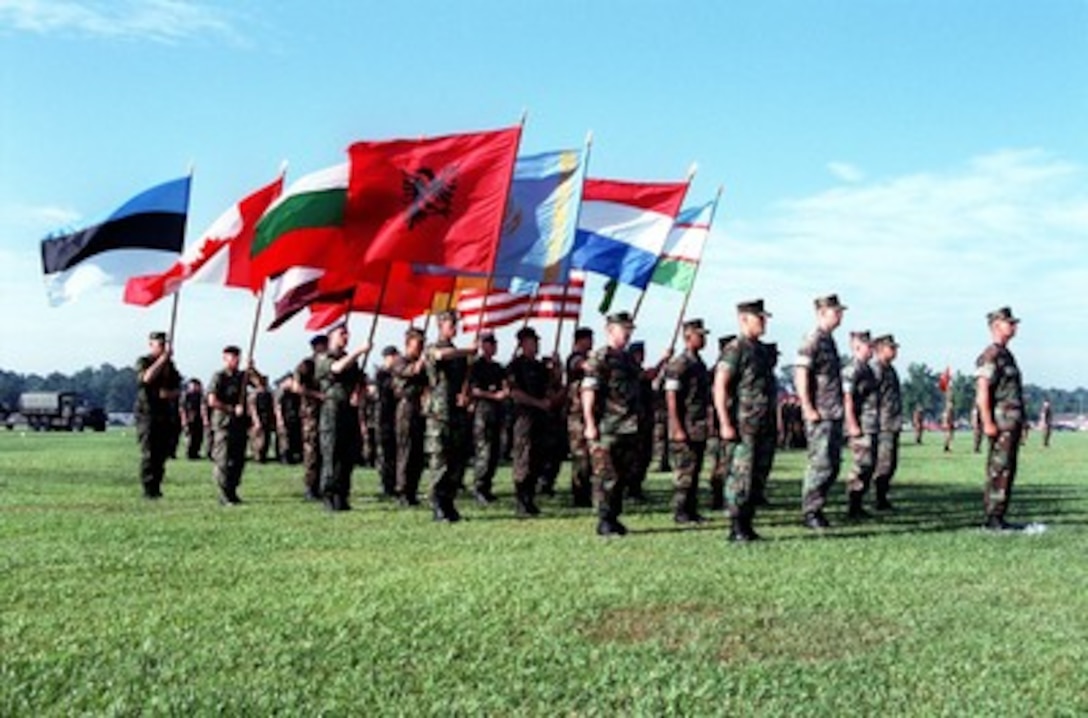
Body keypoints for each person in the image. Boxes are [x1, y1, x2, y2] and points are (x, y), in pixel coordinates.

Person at [715, 301, 776, 541]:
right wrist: (725, 423)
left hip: (763, 424)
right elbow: (720, 386)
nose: (763, 322)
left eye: (764, 318)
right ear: (743, 319)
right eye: (758, 318)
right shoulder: (735, 348)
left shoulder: (760, 350)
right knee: (741, 476)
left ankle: (747, 523)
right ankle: (736, 525)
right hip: (743, 425)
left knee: (758, 476)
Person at [582, 311, 642, 537]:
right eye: (623, 329)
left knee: (622, 475)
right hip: (606, 426)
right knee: (606, 475)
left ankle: (614, 516)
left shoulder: (627, 359)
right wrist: (589, 423)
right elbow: (588, 390)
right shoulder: (600, 358)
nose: (627, 334)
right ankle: (604, 519)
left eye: (629, 330)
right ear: (610, 330)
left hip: (628, 425)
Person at [795, 294, 847, 530]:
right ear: (821, 313)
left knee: (832, 464)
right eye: (835, 311)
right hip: (820, 412)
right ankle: (811, 511)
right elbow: (801, 373)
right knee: (820, 463)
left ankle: (817, 506)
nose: (840, 315)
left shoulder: (829, 340)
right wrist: (807, 406)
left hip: (832, 412)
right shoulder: (812, 339)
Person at [975, 307, 1025, 531]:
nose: (1014, 326)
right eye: (1009, 323)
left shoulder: (1006, 354)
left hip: (1010, 421)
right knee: (999, 467)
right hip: (1000, 421)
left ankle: (999, 514)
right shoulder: (991, 355)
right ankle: (993, 516)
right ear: (996, 326)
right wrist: (987, 422)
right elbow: (982, 390)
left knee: (1008, 468)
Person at [424, 310, 477, 522]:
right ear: (440, 325)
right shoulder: (433, 348)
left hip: (456, 412)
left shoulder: (459, 353)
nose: (454, 327)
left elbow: (466, 379)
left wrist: (466, 395)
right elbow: (440, 356)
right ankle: (437, 504)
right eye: (450, 323)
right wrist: (467, 350)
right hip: (439, 413)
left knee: (456, 460)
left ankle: (449, 503)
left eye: (455, 323)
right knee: (440, 460)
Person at [315, 323, 369, 511]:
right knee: (332, 454)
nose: (345, 337)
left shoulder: (350, 360)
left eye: (347, 333)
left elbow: (362, 382)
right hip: (332, 411)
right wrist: (358, 352)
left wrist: (359, 394)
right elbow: (336, 369)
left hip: (349, 410)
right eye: (342, 333)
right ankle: (329, 495)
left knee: (348, 455)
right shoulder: (323, 357)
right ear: (331, 336)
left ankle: (342, 495)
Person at [664, 318, 711, 524]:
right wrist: (676, 426)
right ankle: (681, 510)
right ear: (687, 337)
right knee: (684, 472)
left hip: (698, 424)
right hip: (684, 424)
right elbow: (671, 395)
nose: (703, 339)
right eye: (699, 335)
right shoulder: (679, 363)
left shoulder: (698, 363)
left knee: (695, 469)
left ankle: (691, 509)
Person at [507, 326, 553, 517]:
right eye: (532, 342)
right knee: (523, 459)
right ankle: (521, 499)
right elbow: (515, 392)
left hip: (540, 418)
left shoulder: (540, 366)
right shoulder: (515, 366)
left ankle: (530, 498)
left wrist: (555, 370)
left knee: (537, 458)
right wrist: (538, 403)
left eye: (536, 342)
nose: (536, 345)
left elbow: (550, 388)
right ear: (522, 344)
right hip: (523, 417)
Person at [208, 345, 261, 505]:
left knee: (238, 460)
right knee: (223, 460)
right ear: (225, 358)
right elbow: (212, 400)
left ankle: (232, 491)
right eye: (232, 357)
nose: (235, 360)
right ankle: (224, 494)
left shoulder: (242, 376)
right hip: (224, 424)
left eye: (237, 357)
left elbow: (260, 384)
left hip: (240, 424)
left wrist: (253, 369)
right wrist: (230, 408)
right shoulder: (219, 376)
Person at [134, 331, 181, 499]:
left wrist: (169, 394)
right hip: (148, 414)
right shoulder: (144, 361)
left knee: (161, 453)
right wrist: (162, 360)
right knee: (149, 452)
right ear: (151, 344)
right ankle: (148, 488)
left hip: (164, 414)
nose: (163, 347)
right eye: (160, 344)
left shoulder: (171, 366)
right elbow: (146, 378)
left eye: (165, 344)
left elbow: (177, 388)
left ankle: (157, 486)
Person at [842, 331, 879, 519]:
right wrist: (852, 424)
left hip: (871, 424)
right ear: (857, 347)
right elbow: (847, 398)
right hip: (861, 426)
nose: (871, 350)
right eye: (868, 346)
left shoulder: (868, 369)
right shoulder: (852, 370)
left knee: (870, 466)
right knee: (861, 466)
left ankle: (858, 504)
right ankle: (853, 504)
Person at [469, 333, 507, 505]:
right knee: (484, 451)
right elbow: (474, 390)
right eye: (489, 343)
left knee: (494, 453)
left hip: (497, 412)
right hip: (483, 411)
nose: (493, 346)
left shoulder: (498, 367)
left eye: (494, 343)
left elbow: (505, 384)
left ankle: (487, 487)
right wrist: (493, 395)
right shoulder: (476, 366)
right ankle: (479, 487)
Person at [393, 328, 428, 506]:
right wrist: (423, 360)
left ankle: (413, 489)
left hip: (419, 408)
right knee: (405, 451)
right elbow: (411, 371)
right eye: (418, 345)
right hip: (405, 408)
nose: (420, 349)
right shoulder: (400, 361)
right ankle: (403, 490)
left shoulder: (421, 363)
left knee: (417, 453)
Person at [293, 334, 328, 501]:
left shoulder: (329, 363)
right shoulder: (307, 365)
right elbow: (296, 387)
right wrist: (316, 395)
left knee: (325, 450)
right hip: (311, 414)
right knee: (312, 451)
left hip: (327, 412)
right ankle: (310, 487)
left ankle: (323, 485)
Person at [871, 334, 902, 511]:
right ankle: (878, 498)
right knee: (883, 463)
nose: (895, 351)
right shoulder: (876, 369)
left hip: (891, 423)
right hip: (882, 425)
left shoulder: (890, 369)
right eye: (891, 348)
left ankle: (882, 497)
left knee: (890, 463)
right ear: (880, 349)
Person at [708, 334, 737, 512]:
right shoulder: (716, 371)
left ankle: (727, 497)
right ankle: (717, 498)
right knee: (720, 464)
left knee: (730, 463)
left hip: (731, 420)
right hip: (718, 424)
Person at [566, 327, 595, 507]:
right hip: (576, 415)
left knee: (589, 457)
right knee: (580, 456)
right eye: (589, 339)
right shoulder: (575, 358)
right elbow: (583, 366)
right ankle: (579, 494)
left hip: (587, 413)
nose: (591, 343)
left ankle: (586, 492)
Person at [374, 346, 400, 499]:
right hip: (384, 415)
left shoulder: (393, 373)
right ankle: (386, 483)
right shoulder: (382, 374)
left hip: (395, 415)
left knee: (394, 451)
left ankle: (393, 481)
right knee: (385, 451)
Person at [248, 374, 276, 463]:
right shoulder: (254, 395)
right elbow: (252, 409)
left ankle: (263, 456)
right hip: (258, 419)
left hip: (266, 418)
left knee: (266, 439)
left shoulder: (268, 393)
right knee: (258, 439)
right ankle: (257, 457)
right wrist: (256, 421)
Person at [179, 377, 206, 461]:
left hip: (198, 418)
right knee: (190, 436)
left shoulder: (200, 395)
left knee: (198, 436)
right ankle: (189, 453)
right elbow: (182, 408)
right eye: (193, 385)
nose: (195, 387)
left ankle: (195, 452)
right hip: (189, 418)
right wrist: (184, 419)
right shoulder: (186, 395)